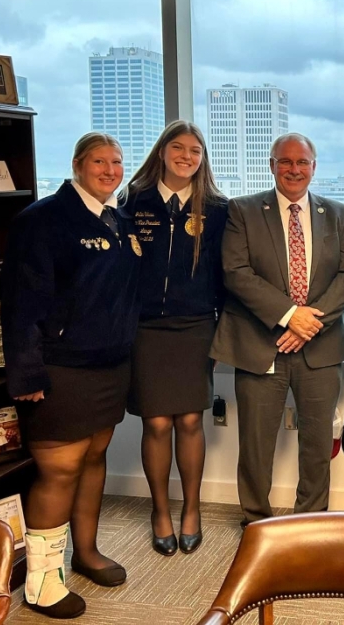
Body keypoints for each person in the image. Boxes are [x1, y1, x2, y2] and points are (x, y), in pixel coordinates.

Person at [2, 133, 142, 619]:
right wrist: (26, 374)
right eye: (99, 161)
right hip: (60, 370)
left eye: (117, 162)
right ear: (78, 164)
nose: (109, 170)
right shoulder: (42, 221)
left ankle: (85, 552)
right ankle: (41, 583)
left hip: (109, 366)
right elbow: (21, 306)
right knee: (60, 470)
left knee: (94, 458)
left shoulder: (119, 220)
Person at [210, 133, 344, 525]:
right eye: (286, 161)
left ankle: (310, 521)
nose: (295, 169)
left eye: (303, 162)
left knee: (317, 443)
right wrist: (290, 314)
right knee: (256, 444)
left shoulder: (337, 213)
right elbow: (235, 273)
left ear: (314, 166)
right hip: (260, 344)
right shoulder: (243, 210)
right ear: (271, 165)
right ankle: (256, 521)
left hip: (319, 347)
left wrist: (309, 323)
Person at [122, 120, 228, 556]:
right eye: (179, 148)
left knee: (189, 420)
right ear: (162, 152)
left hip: (196, 324)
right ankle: (160, 510)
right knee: (157, 421)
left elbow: (225, 275)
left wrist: (224, 330)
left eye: (195, 151)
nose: (187, 157)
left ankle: (192, 509)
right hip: (146, 327)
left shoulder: (218, 209)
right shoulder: (133, 200)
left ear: (203, 159)